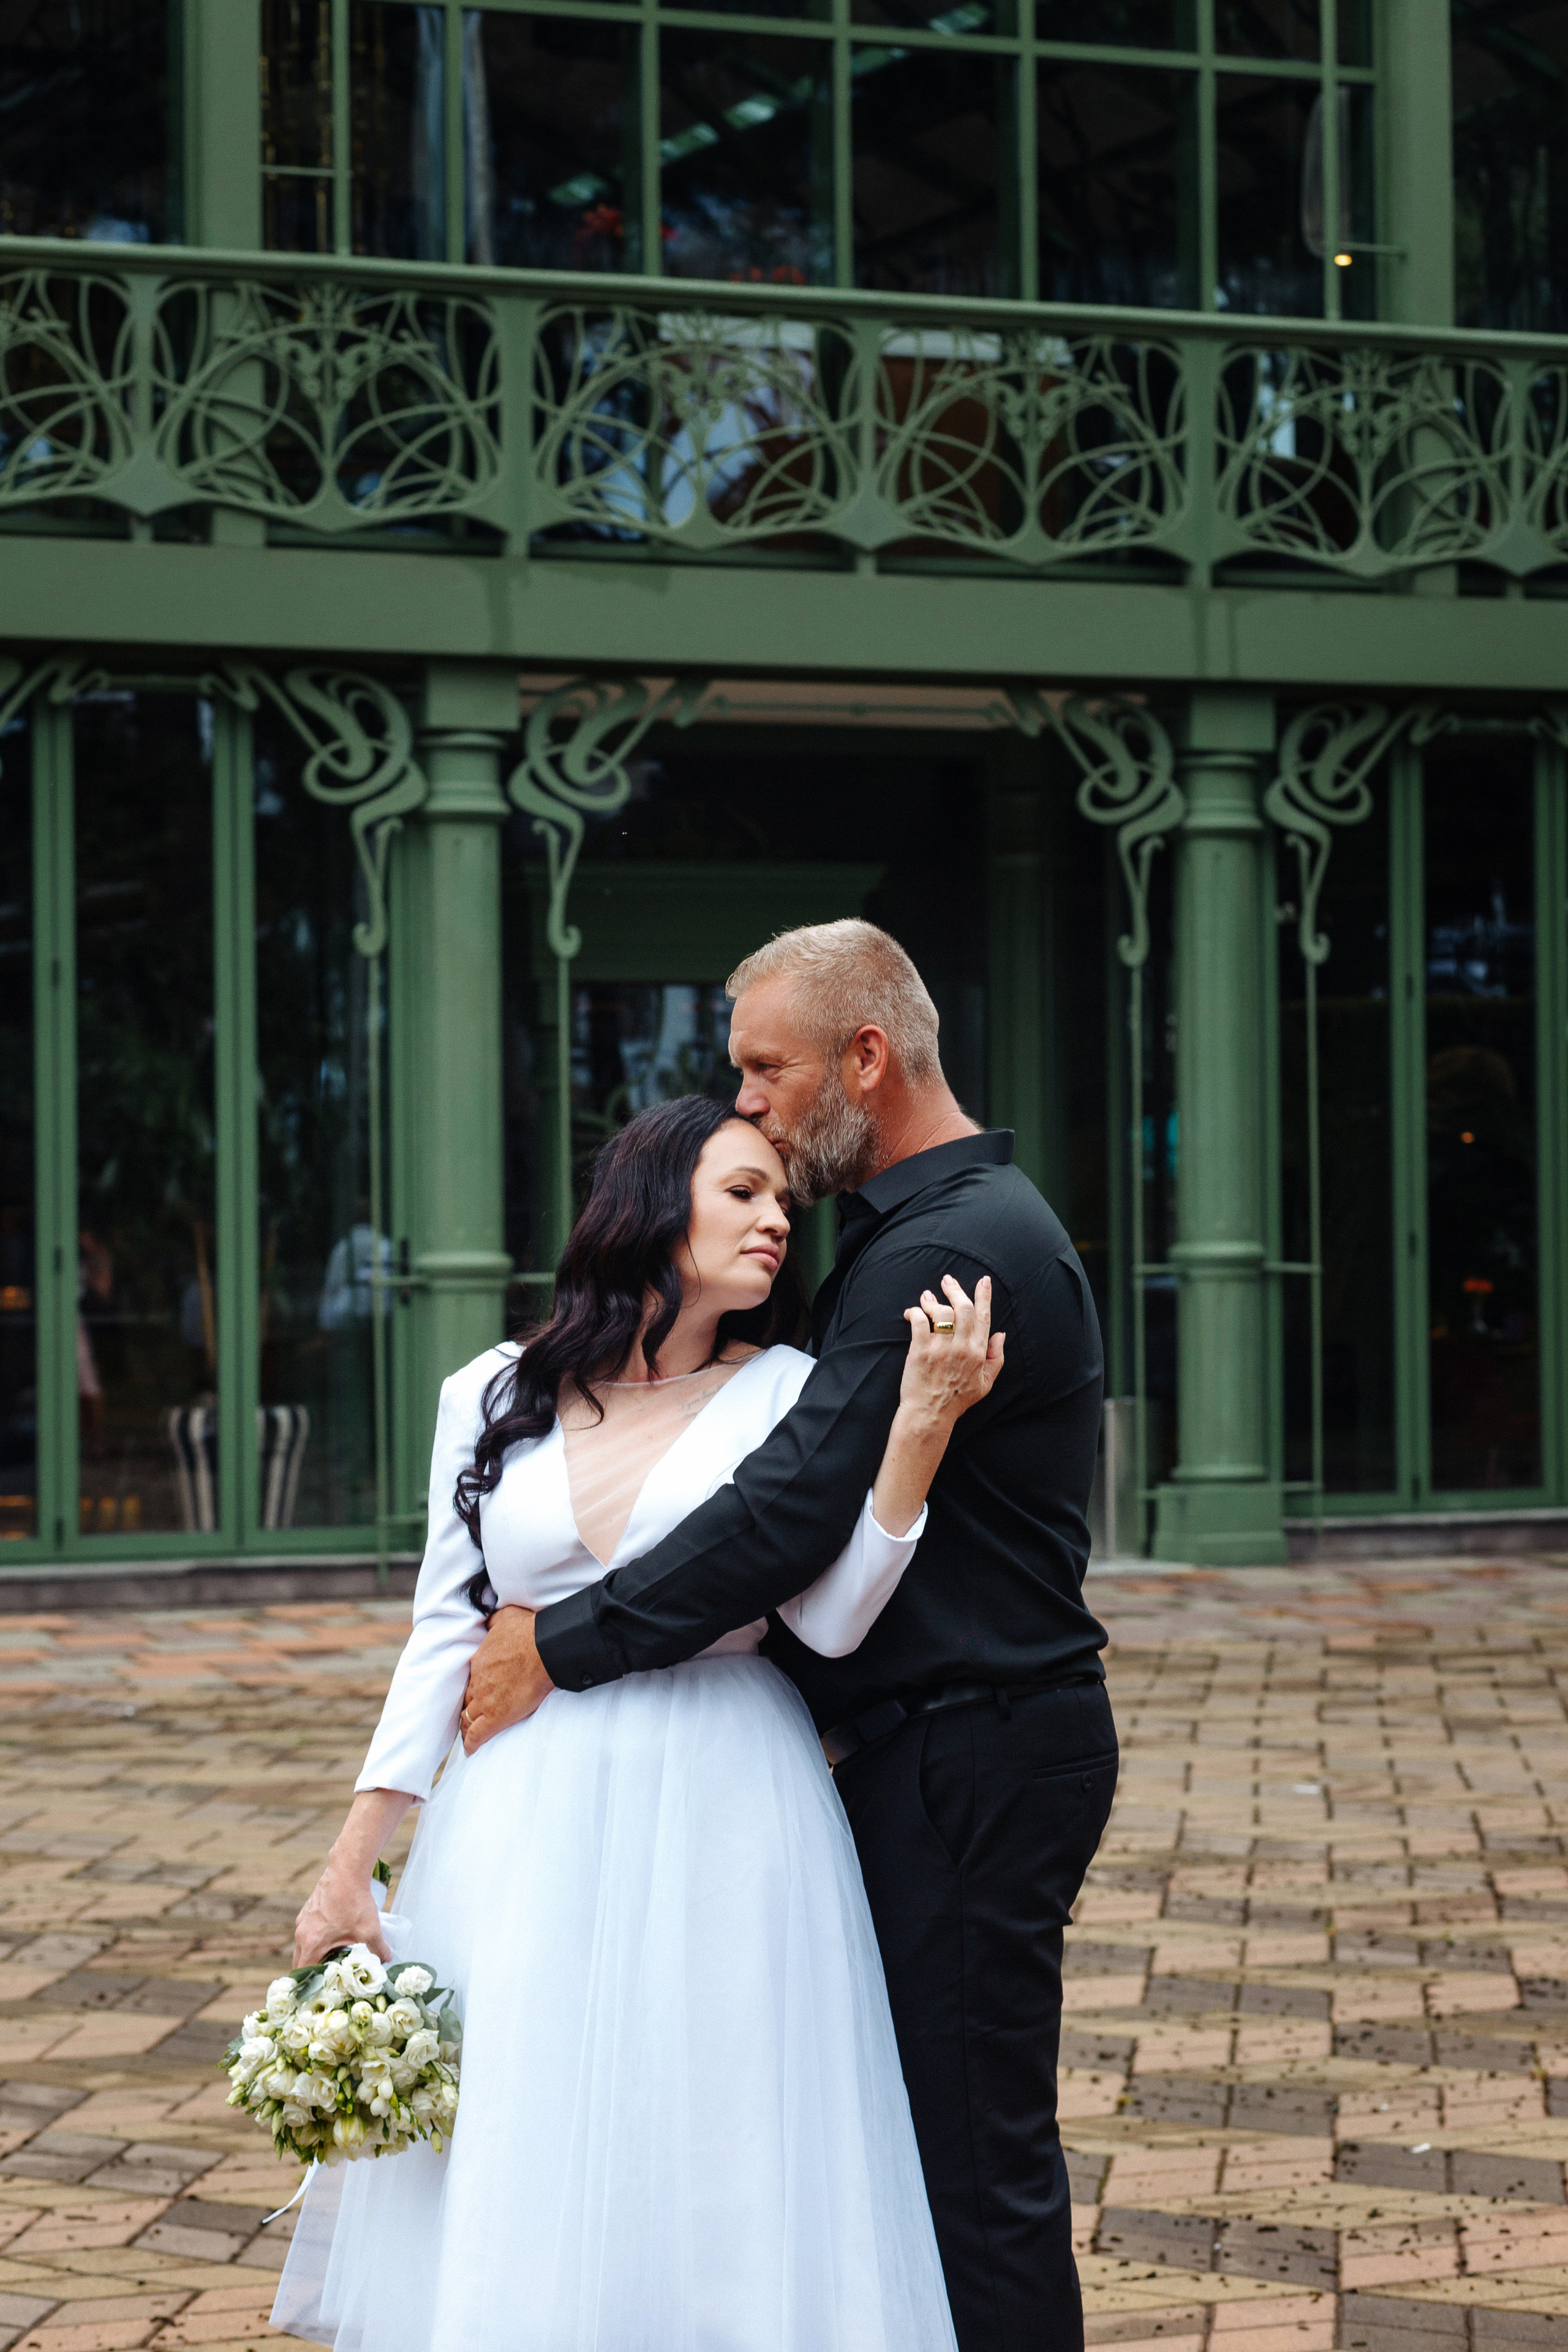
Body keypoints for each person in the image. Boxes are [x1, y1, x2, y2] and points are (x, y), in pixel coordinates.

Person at [461, 919, 1118, 2352]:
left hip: (972, 1753)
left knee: (971, 2170)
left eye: (767, 1068)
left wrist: (561, 1643)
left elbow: (781, 1516)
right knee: (933, 2144)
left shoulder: (944, 1254)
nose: (745, 1096)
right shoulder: (926, 1235)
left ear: (863, 1060)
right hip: (962, 1746)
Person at [274, 1092, 1001, 2352]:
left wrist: (916, 1435)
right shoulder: (489, 1393)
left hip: (731, 1789)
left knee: (715, 2117)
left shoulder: (791, 1391)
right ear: (653, 1205)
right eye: (742, 1192)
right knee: (529, 2112)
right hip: (521, 1806)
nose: (777, 1219)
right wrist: (356, 1856)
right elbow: (443, 1631)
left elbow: (826, 1625)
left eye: (782, 1198)